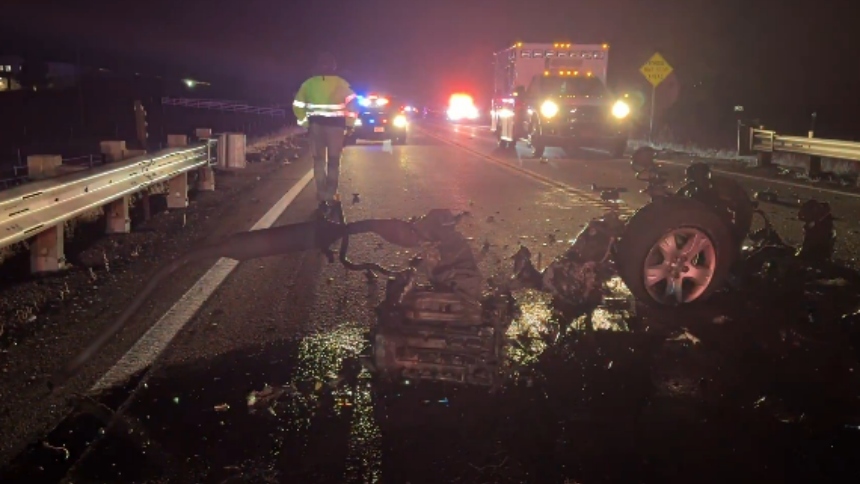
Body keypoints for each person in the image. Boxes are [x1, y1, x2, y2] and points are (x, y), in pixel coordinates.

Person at [292, 53, 358, 214]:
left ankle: (321, 196)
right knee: (334, 161)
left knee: (318, 161)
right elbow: (354, 107)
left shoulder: (308, 84)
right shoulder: (342, 84)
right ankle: (331, 195)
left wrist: (305, 123)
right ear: (334, 67)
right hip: (336, 128)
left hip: (316, 127)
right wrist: (350, 125)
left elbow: (297, 105)